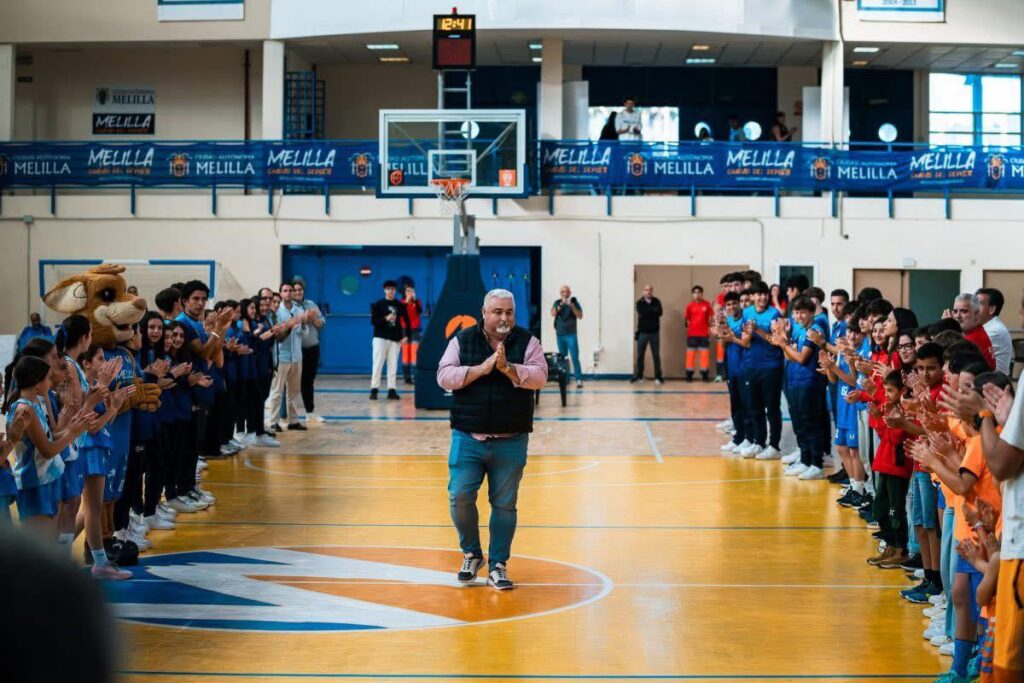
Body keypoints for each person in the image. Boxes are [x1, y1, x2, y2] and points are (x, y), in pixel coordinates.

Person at [436, 289, 547, 591]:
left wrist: (508, 368)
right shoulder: (461, 340)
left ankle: (498, 564)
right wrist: (482, 369)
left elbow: (540, 376)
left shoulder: (528, 342)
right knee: (459, 496)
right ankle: (472, 553)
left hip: (511, 440)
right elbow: (444, 376)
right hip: (468, 437)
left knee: (505, 505)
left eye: (509, 312)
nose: (504, 318)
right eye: (497, 311)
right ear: (483, 312)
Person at [736, 281, 783, 459]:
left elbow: (775, 340)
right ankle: (758, 442)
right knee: (754, 407)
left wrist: (758, 330)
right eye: (759, 294)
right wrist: (747, 333)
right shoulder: (746, 313)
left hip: (771, 366)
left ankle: (774, 446)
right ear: (753, 297)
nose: (762, 297)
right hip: (751, 365)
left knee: (772, 407)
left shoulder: (774, 314)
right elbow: (745, 340)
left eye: (765, 294)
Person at [266, 282, 307, 430]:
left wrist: (301, 327)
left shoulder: (298, 310)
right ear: (281, 293)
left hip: (296, 356)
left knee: (294, 391)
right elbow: (276, 334)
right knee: (277, 391)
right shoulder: (276, 312)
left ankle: (293, 421)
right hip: (281, 356)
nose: (289, 293)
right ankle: (273, 422)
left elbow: (305, 333)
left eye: (291, 290)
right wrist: (288, 326)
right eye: (285, 291)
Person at [292, 278, 326, 424]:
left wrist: (313, 319)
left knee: (308, 381)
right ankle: (288, 415)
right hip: (295, 350)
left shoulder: (311, 304)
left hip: (312, 348)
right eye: (295, 290)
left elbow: (321, 324)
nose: (298, 292)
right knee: (292, 383)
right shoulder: (289, 307)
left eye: (300, 289)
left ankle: (310, 412)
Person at [370, 280, 408, 400]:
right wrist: (386, 318)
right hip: (380, 337)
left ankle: (392, 390)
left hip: (395, 339)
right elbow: (374, 321)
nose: (390, 291)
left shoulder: (399, 304)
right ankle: (374, 389)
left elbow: (406, 320)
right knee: (378, 364)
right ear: (384, 290)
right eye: (388, 289)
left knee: (393, 365)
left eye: (392, 289)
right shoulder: (379, 304)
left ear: (395, 291)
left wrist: (405, 336)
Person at [948, 293, 996, 370]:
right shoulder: (974, 332)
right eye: (955, 311)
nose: (957, 316)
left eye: (963, 311)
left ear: (976, 314)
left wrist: (947, 332)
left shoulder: (973, 339)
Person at [551, 285, 584, 388]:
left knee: (574, 357)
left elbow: (580, 316)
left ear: (570, 293)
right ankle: (565, 379)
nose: (564, 294)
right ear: (560, 293)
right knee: (563, 358)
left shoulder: (574, 302)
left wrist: (572, 306)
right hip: (560, 334)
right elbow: (553, 313)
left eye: (566, 292)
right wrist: (560, 305)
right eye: (562, 292)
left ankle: (578, 379)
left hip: (571, 335)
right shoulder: (557, 302)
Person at [976, 287, 1012, 375]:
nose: (974, 308)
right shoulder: (984, 327)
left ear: (991, 309)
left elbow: (963, 348)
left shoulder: (995, 331)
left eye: (978, 304)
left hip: (994, 384)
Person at [633, 285, 663, 385]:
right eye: (646, 290)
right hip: (642, 333)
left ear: (652, 291)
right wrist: (652, 311)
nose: (648, 292)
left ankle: (658, 377)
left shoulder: (657, 301)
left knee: (656, 355)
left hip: (654, 333)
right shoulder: (639, 303)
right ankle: (639, 376)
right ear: (643, 292)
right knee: (640, 356)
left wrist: (650, 311)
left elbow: (660, 312)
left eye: (650, 290)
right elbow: (643, 313)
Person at [684, 285, 714, 383]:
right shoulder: (689, 306)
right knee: (690, 356)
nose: (697, 294)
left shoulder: (707, 305)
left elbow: (710, 320)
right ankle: (689, 375)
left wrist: (709, 331)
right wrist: (691, 327)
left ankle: (704, 375)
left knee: (704, 356)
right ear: (693, 294)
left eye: (699, 292)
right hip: (692, 335)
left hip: (704, 335)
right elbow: (687, 320)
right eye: (695, 292)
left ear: (702, 293)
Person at [400, 284, 424, 386]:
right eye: (408, 291)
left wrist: (413, 300)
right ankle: (407, 378)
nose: (410, 293)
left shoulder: (417, 302)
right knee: (406, 354)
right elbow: (402, 312)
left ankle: (416, 377)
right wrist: (407, 301)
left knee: (414, 354)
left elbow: (419, 312)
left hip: (415, 330)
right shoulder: (401, 303)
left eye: (412, 291)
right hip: (405, 330)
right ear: (405, 293)